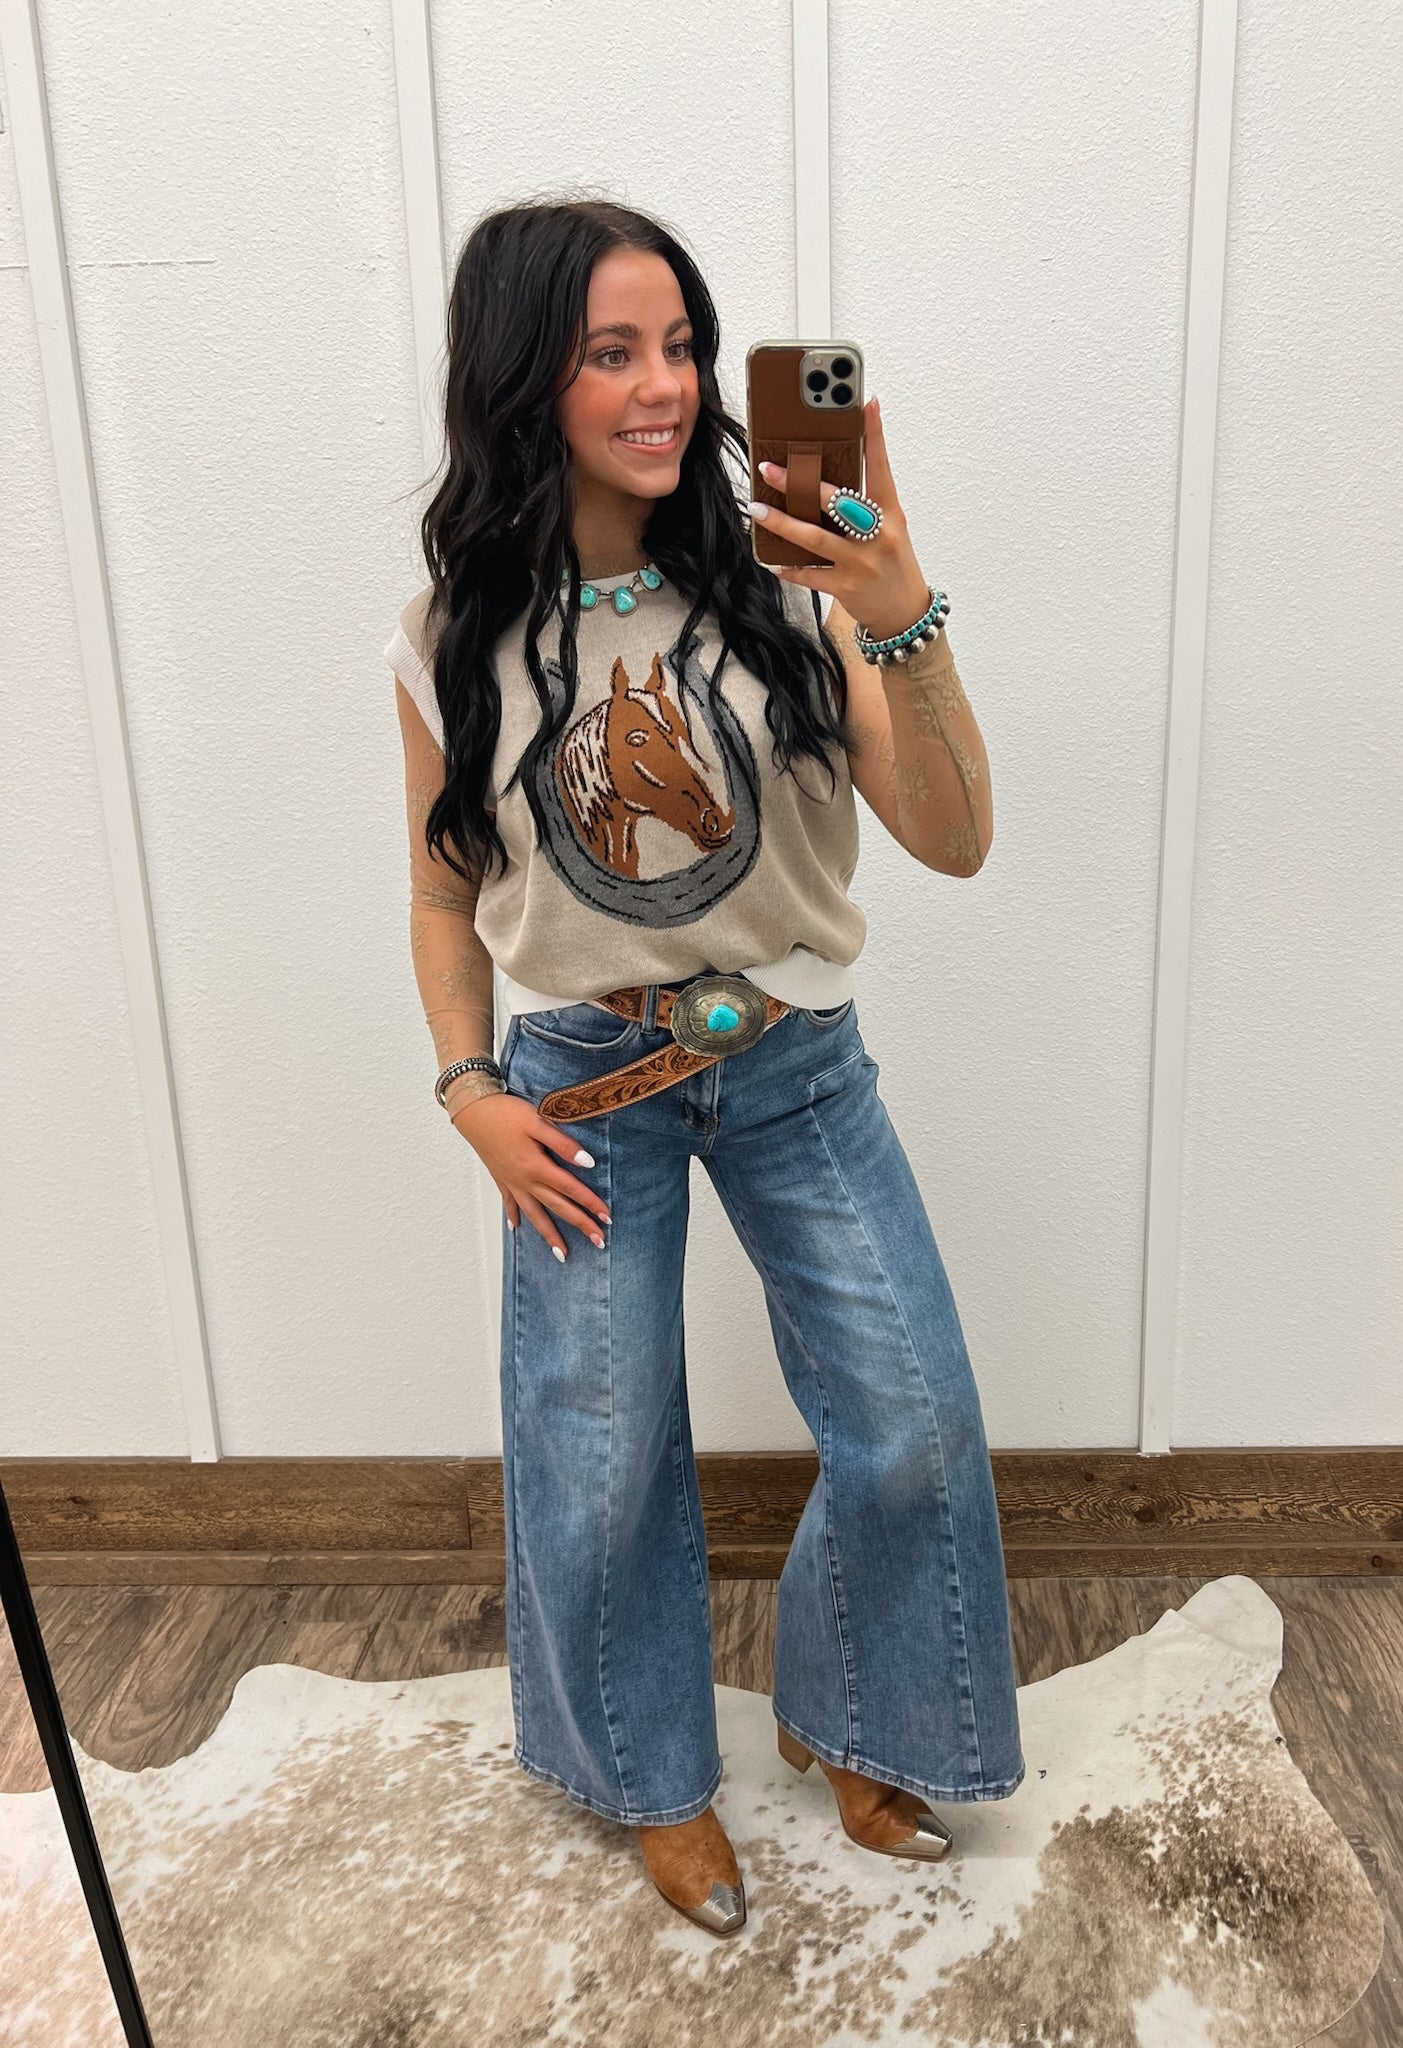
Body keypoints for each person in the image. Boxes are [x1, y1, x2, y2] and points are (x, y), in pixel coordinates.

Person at [384, 198, 1024, 1938]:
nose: (665, 387)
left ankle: (856, 1715)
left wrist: (901, 613)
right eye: (612, 352)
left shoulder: (791, 585)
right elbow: (442, 894)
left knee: (911, 1420)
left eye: (680, 345)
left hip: (797, 1063)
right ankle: (651, 1779)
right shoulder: (451, 633)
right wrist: (470, 1094)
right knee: (596, 1458)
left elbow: (956, 837)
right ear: (522, 377)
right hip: (581, 1088)